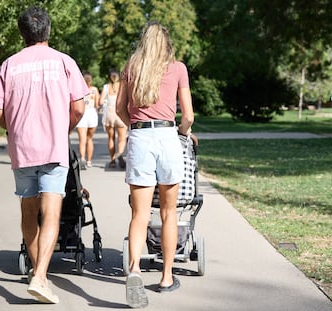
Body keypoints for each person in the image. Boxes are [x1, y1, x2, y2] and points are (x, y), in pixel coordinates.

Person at [0, 6, 87, 304]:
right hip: (53, 149)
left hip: (22, 149)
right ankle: (41, 276)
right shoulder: (64, 62)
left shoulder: (9, 65)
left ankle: (36, 272)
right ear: (48, 31)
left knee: (29, 212)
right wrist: (62, 127)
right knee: (52, 212)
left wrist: (12, 128)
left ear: (22, 32)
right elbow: (78, 107)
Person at [116, 21, 194, 308]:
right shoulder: (177, 68)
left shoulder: (131, 67)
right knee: (168, 211)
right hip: (167, 136)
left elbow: (119, 109)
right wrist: (183, 135)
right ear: (167, 43)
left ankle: (135, 269)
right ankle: (166, 276)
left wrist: (136, 128)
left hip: (140, 138)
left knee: (138, 213)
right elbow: (188, 116)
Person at [99, 69, 127, 168]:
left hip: (109, 114)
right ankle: (120, 154)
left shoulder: (106, 87)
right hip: (120, 113)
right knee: (122, 138)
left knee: (111, 138)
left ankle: (112, 160)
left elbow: (100, 102)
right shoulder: (122, 87)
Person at [76, 71, 99, 169]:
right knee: (90, 138)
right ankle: (89, 161)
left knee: (82, 139)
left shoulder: (78, 89)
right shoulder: (94, 90)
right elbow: (97, 104)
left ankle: (82, 158)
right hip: (92, 113)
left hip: (82, 113)